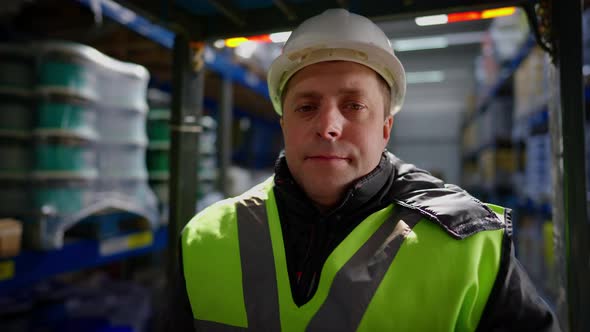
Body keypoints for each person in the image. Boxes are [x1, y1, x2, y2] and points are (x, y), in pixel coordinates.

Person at [162, 8, 561, 331]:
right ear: (284, 123)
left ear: (386, 127)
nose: (328, 125)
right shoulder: (205, 240)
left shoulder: (472, 245)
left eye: (353, 106)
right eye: (306, 107)